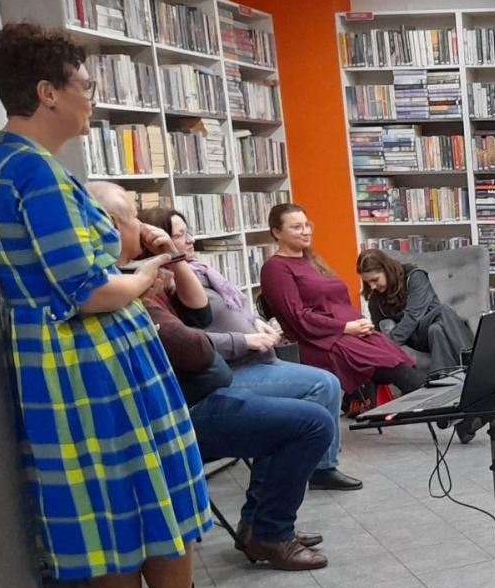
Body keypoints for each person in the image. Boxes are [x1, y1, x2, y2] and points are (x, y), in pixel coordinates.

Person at [0, 23, 254, 588]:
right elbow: (89, 291)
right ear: (47, 92)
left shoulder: (12, 166)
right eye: (84, 86)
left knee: (123, 501)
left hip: (78, 359)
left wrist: (132, 253)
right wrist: (150, 268)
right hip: (92, 361)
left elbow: (74, 269)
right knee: (135, 496)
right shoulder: (33, 172)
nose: (91, 99)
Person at [106, 191, 330, 571]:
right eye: (133, 220)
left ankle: (259, 525)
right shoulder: (127, 287)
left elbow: (201, 314)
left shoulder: (148, 277)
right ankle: (271, 534)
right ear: (112, 227)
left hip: (201, 393)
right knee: (311, 422)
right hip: (180, 412)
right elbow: (192, 347)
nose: (142, 228)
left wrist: (170, 258)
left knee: (296, 414)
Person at [137, 206, 361, 492]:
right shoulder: (168, 284)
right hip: (234, 370)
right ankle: (317, 468)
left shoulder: (202, 271)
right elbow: (193, 336)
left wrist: (258, 322)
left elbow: (235, 306)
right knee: (323, 384)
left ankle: (315, 465)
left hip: (260, 359)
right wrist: (246, 340)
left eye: (187, 232)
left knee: (328, 380)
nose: (190, 240)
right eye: (179, 236)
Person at [259, 204, 426, 405]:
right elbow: (297, 317)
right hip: (318, 341)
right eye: (296, 227)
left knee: (397, 358)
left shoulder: (312, 260)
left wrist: (360, 324)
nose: (306, 231)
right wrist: (345, 328)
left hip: (348, 332)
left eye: (307, 225)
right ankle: (445, 412)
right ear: (277, 232)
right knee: (393, 367)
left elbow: (338, 302)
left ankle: (446, 410)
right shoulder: (275, 268)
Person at [355, 248, 474, 374]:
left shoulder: (414, 276)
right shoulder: (375, 299)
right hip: (413, 339)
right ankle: (472, 361)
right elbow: (380, 331)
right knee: (443, 311)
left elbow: (414, 315)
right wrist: (384, 345)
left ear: (387, 270)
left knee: (436, 329)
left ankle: (441, 378)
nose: (372, 286)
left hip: (433, 330)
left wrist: (390, 342)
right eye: (367, 282)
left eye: (375, 280)